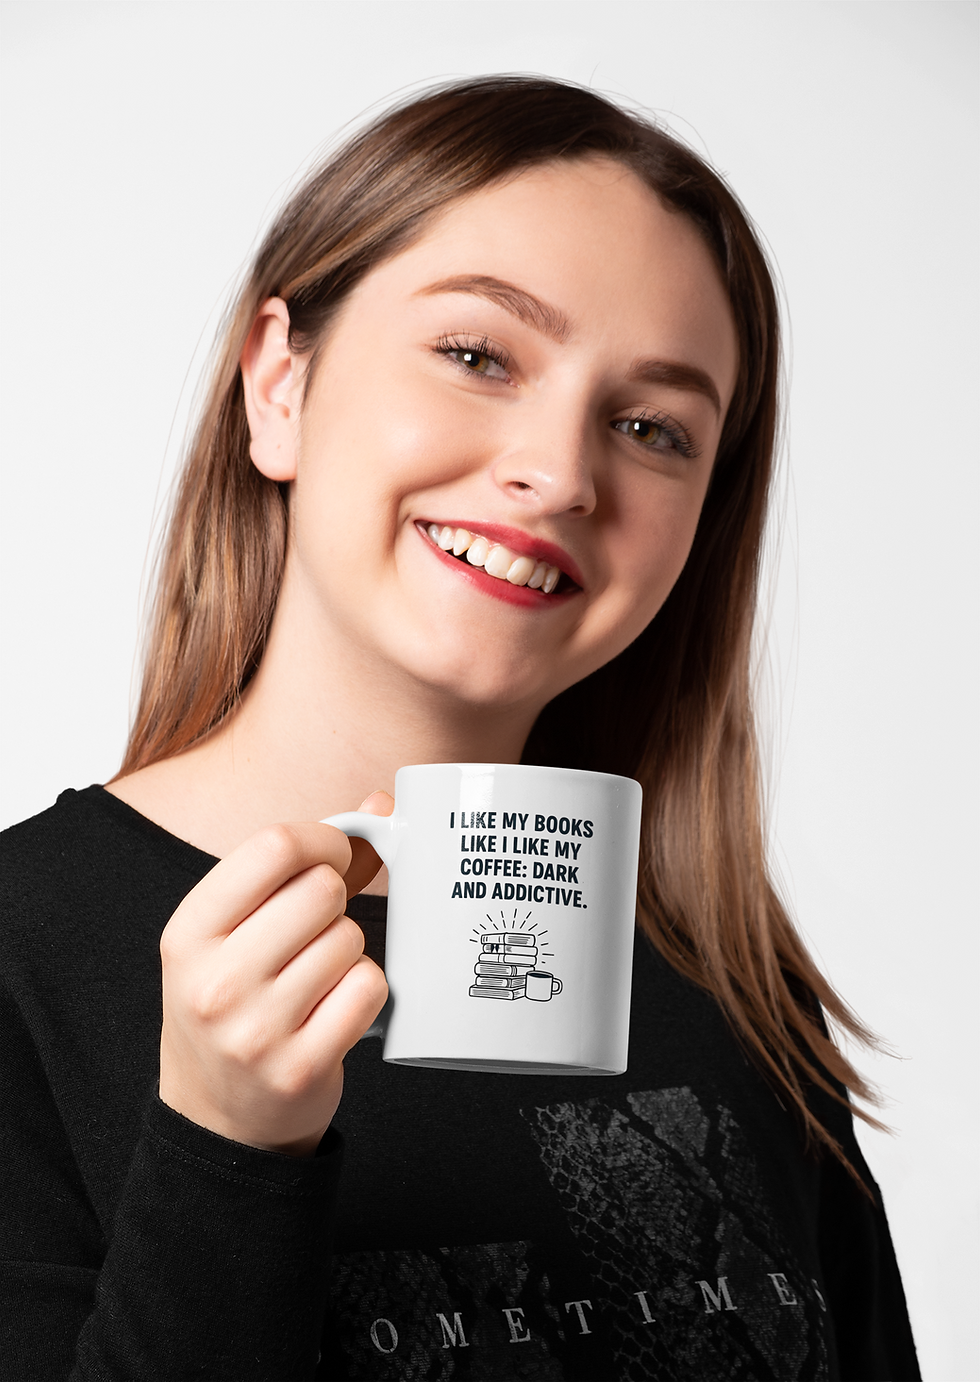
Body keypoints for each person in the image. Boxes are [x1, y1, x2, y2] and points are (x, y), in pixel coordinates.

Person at [0, 75, 919, 1380]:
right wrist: (224, 1149)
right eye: (480, 355)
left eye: (653, 427)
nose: (560, 470)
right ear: (280, 381)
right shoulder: (22, 954)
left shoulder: (739, 995)